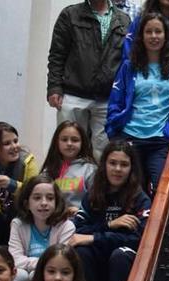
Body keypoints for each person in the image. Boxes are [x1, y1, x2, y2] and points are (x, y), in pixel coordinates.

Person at [107, 12, 169, 193]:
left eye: (158, 32)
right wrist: (114, 128)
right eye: (149, 32)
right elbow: (116, 101)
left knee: (162, 188)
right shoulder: (128, 67)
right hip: (131, 138)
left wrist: (168, 130)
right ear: (141, 36)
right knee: (132, 192)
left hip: (159, 141)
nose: (154, 36)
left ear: (165, 36)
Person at [70, 140, 151, 281]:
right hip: (98, 255)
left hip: (124, 258)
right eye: (113, 163)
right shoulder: (93, 195)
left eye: (124, 164)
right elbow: (78, 231)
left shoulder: (140, 199)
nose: (117, 169)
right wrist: (110, 226)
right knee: (81, 251)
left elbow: (138, 239)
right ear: (104, 165)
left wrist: (94, 237)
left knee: (119, 255)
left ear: (131, 168)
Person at [47, 0, 131, 161]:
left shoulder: (124, 20)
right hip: (73, 94)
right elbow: (57, 54)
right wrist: (54, 88)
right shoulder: (70, 15)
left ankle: (98, 185)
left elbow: (127, 60)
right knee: (68, 149)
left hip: (108, 98)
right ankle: (66, 185)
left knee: (104, 152)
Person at [8, 177, 76, 281]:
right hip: (25, 270)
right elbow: (14, 259)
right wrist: (40, 263)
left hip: (53, 274)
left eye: (50, 198)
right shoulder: (18, 224)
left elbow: (60, 261)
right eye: (37, 198)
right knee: (19, 276)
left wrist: (37, 267)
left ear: (56, 202)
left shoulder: (66, 226)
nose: (44, 203)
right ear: (26, 204)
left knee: (37, 275)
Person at [41, 121, 99, 212]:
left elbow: (97, 202)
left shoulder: (90, 170)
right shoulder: (48, 170)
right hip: (52, 221)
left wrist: (81, 211)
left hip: (80, 222)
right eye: (64, 139)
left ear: (82, 142)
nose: (69, 143)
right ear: (57, 142)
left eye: (75, 140)